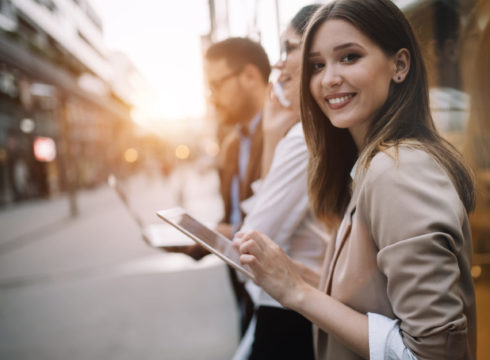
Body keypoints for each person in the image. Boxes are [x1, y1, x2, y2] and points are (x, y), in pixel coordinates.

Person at [233, 1, 476, 359]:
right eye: (317, 65)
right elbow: (382, 301)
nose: (329, 78)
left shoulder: (397, 171)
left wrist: (298, 293)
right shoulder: (369, 165)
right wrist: (305, 279)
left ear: (400, 65)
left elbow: (434, 354)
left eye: (349, 57)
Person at [232, 5, 328, 360]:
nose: (279, 62)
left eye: (289, 48)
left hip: (292, 315)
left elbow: (252, 243)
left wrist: (276, 136)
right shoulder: (304, 134)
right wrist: (273, 134)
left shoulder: (307, 136)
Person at [202, 37, 271, 337]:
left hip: (276, 297)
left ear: (250, 76)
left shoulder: (285, 138)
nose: (212, 97)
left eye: (217, 85)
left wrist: (225, 233)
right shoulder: (231, 145)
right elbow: (232, 214)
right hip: (241, 284)